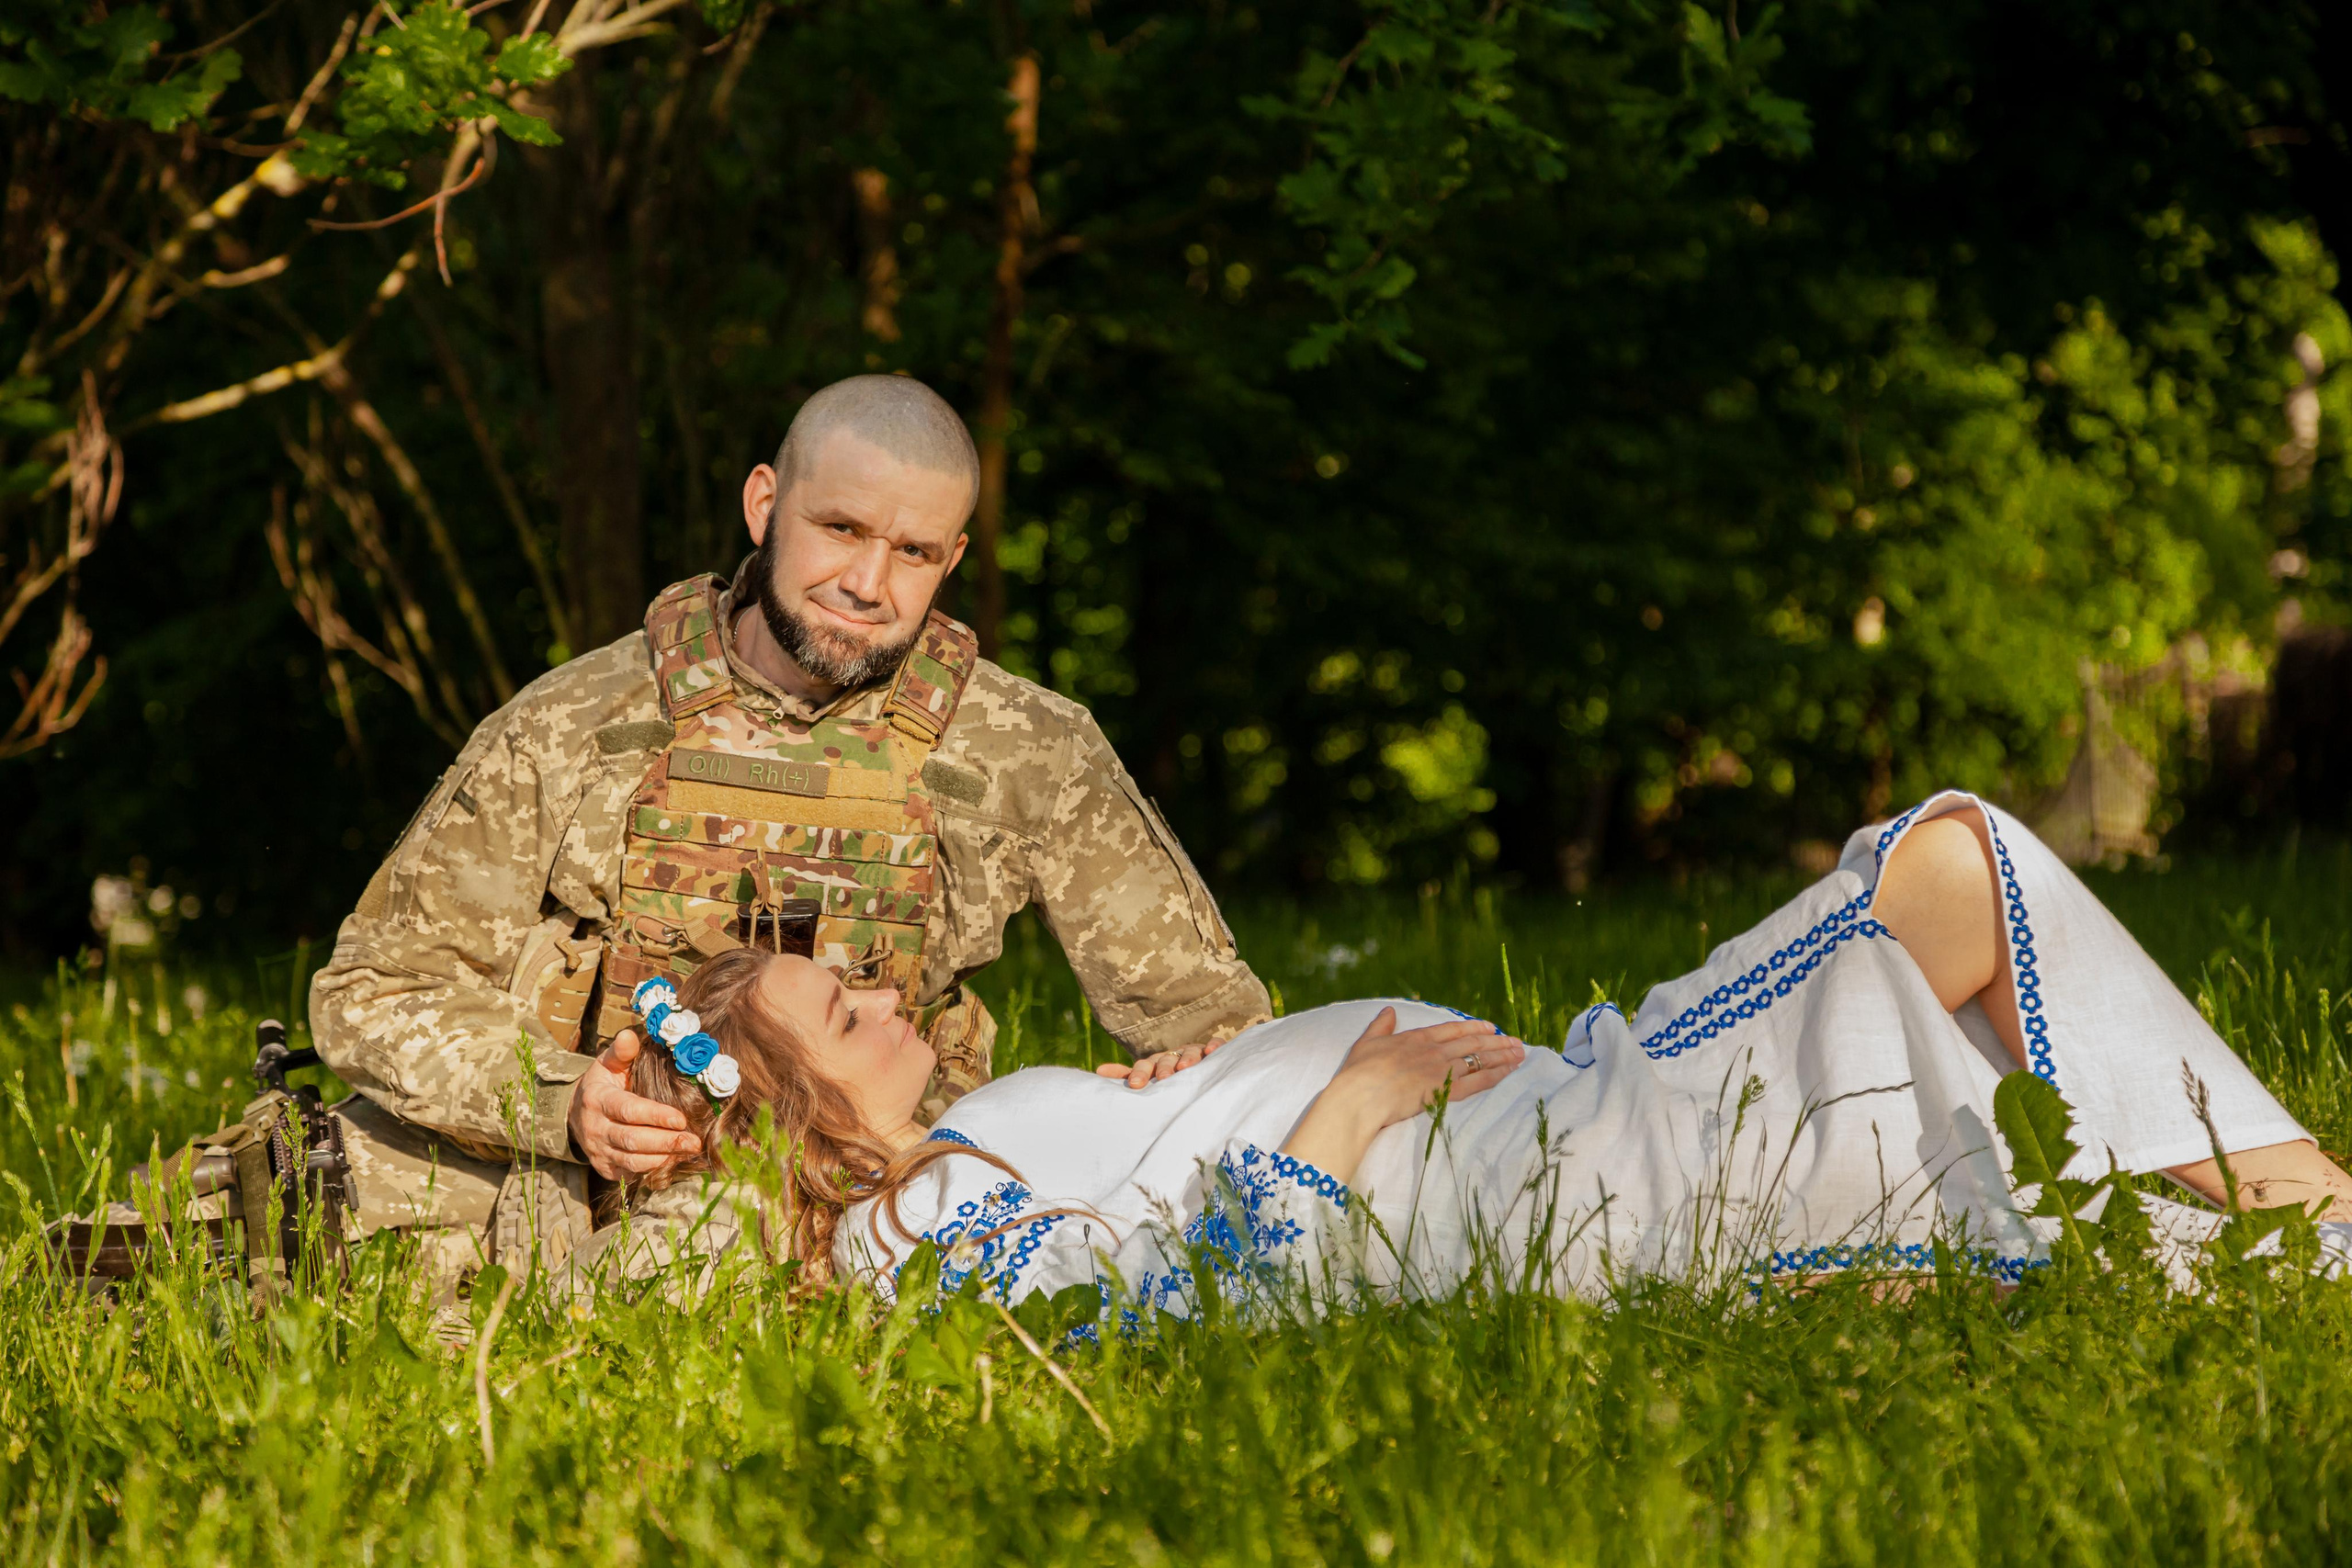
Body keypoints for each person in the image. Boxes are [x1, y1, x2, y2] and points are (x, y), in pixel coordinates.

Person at [573, 792, 2352, 1308]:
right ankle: (2312, 1205)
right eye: (845, 1017)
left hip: (1533, 1132)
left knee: (1957, 1022)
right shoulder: (914, 1233)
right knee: (1944, 869)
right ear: (792, 1119)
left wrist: (1191, 1095)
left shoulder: (962, 1159)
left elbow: (1141, 1210)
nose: (888, 999)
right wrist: (1353, 1093)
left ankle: (2303, 1220)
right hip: (1533, 1173)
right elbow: (1188, 1304)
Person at [308, 374, 1269, 1293]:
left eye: (913, 552)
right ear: (764, 504)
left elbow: (1217, 1032)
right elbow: (376, 992)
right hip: (588, 1214)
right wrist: (565, 1103)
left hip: (884, 1225)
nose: (867, 582)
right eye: (840, 528)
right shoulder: (577, 724)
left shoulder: (1030, 752)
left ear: (953, 561)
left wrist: (1176, 1081)